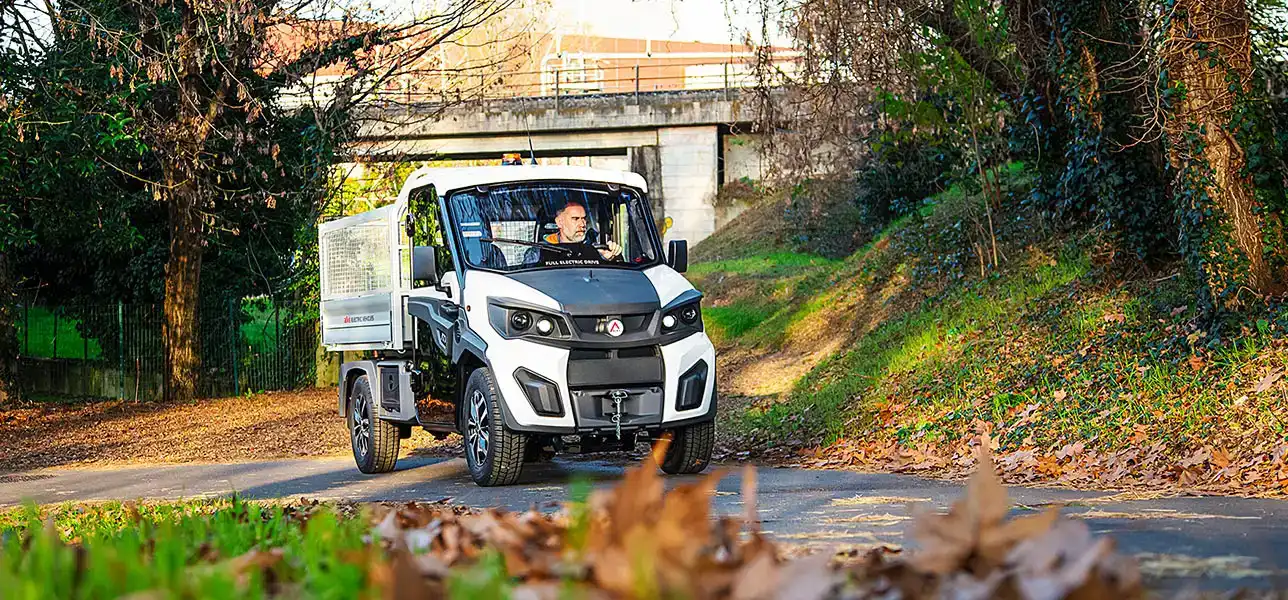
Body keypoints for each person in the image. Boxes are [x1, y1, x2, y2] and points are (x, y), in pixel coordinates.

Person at [524, 201, 622, 264]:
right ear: (560, 222)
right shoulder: (538, 253)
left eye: (584, 219)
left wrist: (608, 257)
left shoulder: (595, 249)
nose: (582, 224)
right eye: (575, 219)